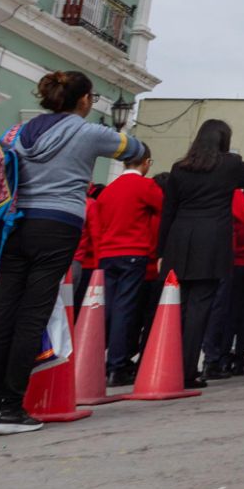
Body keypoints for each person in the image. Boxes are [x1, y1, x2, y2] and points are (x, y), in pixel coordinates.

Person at [0, 71, 146, 435]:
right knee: (33, 315)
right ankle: (11, 408)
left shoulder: (16, 132)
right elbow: (137, 150)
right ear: (84, 100)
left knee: (3, 314)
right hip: (57, 226)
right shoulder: (89, 133)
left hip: (13, 226)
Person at [158, 119, 244, 388]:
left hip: (180, 239)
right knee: (200, 307)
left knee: (177, 306)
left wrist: (161, 251)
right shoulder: (230, 165)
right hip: (211, 242)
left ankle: (166, 364)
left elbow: (168, 212)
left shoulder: (179, 168)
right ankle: (187, 369)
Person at [92, 151, 165, 387]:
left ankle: (96, 361)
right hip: (133, 252)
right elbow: (164, 208)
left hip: (107, 254)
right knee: (126, 309)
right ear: (146, 162)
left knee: (107, 309)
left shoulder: (109, 190)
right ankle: (117, 365)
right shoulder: (145, 186)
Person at [206, 170, 244, 379]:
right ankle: (240, 355)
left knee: (229, 311)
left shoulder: (234, 217)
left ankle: (222, 354)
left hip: (233, 265)